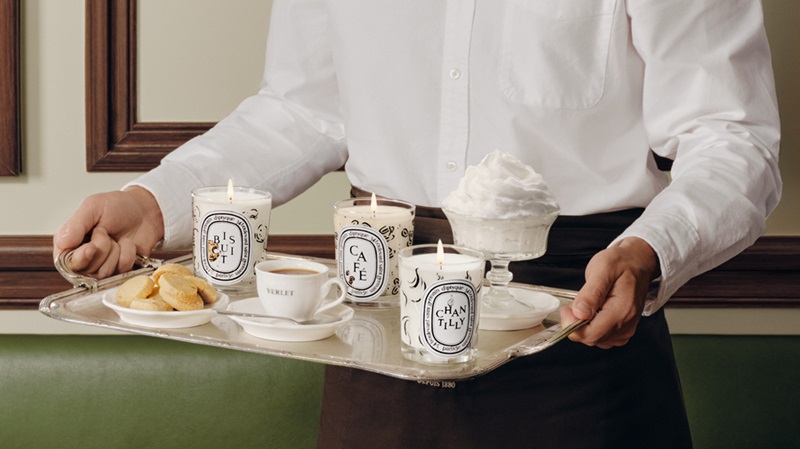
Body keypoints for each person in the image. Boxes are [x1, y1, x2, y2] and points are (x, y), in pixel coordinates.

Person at [54, 1, 781, 448]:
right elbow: (303, 108)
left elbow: (732, 135)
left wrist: (654, 248)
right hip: (379, 329)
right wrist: (156, 203)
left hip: (579, 326)